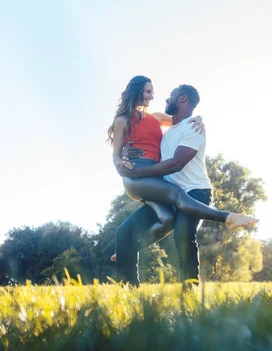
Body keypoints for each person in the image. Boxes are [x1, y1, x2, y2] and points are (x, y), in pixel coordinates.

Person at [109, 78, 257, 284]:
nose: (157, 97)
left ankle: (189, 288)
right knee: (166, 217)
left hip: (194, 190)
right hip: (159, 184)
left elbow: (176, 157)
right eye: (148, 91)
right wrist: (124, 160)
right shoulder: (139, 124)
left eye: (157, 92)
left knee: (176, 228)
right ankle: (227, 218)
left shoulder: (184, 126)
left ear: (182, 98)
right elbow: (120, 150)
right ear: (137, 91)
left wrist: (199, 118)